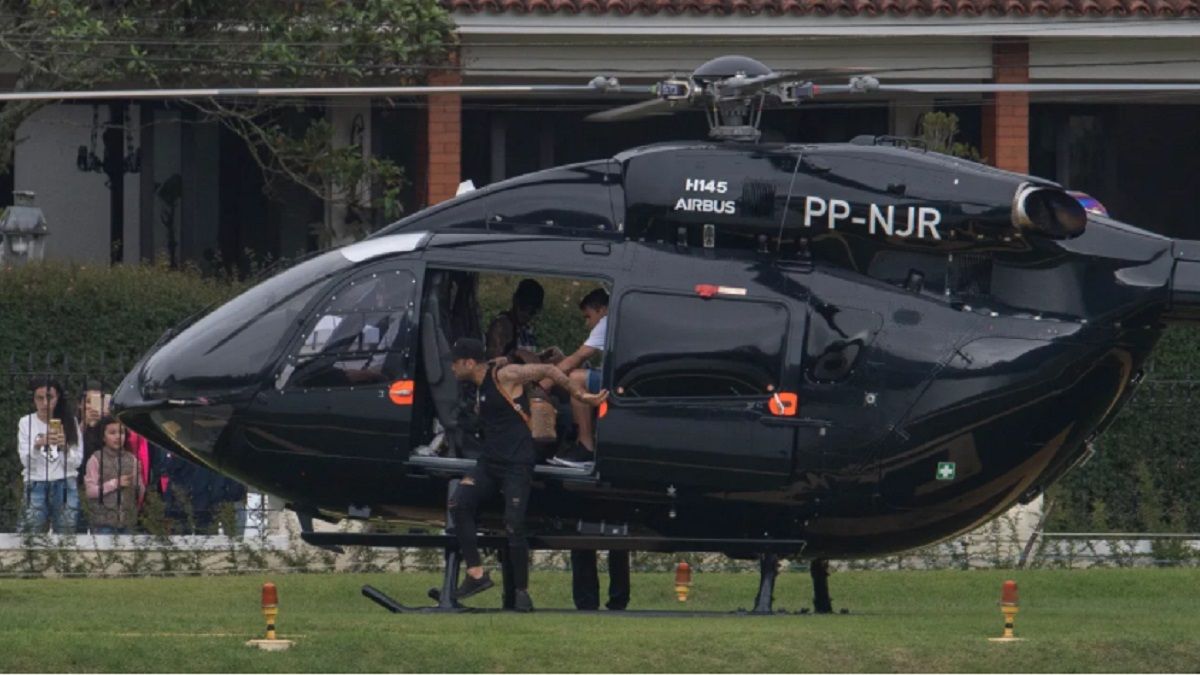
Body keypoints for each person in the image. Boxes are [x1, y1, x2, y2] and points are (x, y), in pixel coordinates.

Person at [448, 338, 607, 611]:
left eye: (454, 363)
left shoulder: (506, 375)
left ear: (468, 362)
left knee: (514, 523)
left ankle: (522, 592)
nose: (451, 369)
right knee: (459, 503)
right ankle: (476, 573)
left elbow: (547, 371)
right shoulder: (477, 385)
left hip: (516, 464)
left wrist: (581, 395)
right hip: (489, 462)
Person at [548, 288, 609, 468]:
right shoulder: (612, 321)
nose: (587, 324)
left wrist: (544, 382)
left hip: (618, 383)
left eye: (588, 317)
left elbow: (577, 358)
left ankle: (586, 447)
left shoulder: (606, 322)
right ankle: (577, 438)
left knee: (576, 379)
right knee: (579, 374)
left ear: (600, 310)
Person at [16, 378, 83, 533]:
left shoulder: (70, 421)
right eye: (40, 398)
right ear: (34, 399)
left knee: (66, 535)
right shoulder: (26, 422)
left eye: (50, 397)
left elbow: (77, 462)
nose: (45, 403)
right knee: (30, 534)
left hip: (65, 482)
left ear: (57, 398)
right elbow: (25, 462)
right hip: (36, 482)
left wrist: (64, 447)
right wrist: (38, 445)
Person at [83, 416, 145, 535]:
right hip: (103, 522)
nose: (118, 437)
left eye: (121, 432)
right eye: (112, 433)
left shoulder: (132, 459)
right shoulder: (96, 459)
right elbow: (90, 491)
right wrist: (115, 483)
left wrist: (137, 478)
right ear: (103, 437)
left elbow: (140, 492)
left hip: (128, 521)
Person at [485, 279, 545, 361]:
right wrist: (516, 354)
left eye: (533, 311)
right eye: (523, 306)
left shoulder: (526, 329)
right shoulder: (501, 325)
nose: (527, 314)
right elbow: (493, 362)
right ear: (515, 300)